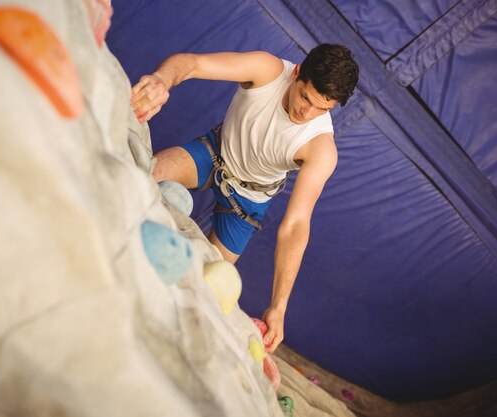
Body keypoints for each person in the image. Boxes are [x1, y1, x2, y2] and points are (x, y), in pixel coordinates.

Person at [130, 44, 359, 353]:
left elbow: (295, 225)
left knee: (201, 287)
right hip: (214, 154)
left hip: (247, 204)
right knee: (140, 177)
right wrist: (161, 79)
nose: (307, 113)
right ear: (297, 73)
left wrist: (278, 307)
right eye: (305, 97)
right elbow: (191, 63)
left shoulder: (321, 149)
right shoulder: (266, 70)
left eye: (322, 108)